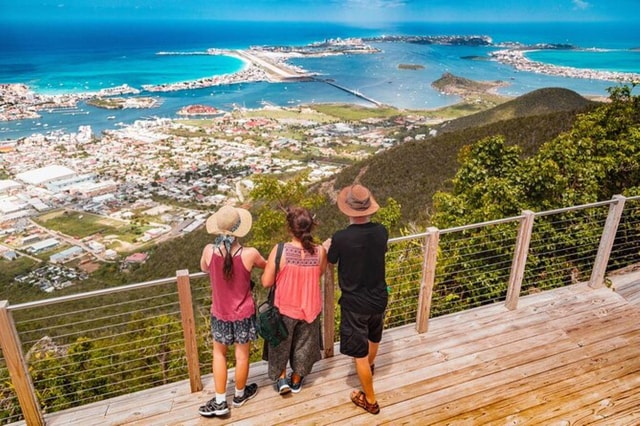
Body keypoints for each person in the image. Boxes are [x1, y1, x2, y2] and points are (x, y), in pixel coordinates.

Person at [198, 205, 267, 418]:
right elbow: (266, 265)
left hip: (220, 312)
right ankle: (239, 395)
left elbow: (204, 268)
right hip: (244, 313)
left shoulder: (209, 251)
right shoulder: (249, 254)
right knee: (242, 356)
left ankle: (220, 401)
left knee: (219, 354)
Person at [325, 184, 388, 415]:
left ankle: (369, 400)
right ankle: (369, 368)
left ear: (348, 210)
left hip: (355, 303)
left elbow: (331, 260)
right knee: (374, 337)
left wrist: (327, 247)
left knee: (358, 353)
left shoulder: (341, 238)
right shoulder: (381, 231)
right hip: (378, 297)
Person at [261, 206, 327, 395]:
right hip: (310, 307)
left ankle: (282, 380)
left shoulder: (280, 250)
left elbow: (266, 282)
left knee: (280, 345)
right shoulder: (320, 251)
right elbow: (319, 273)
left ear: (289, 228)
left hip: (284, 307)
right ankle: (296, 380)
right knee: (304, 347)